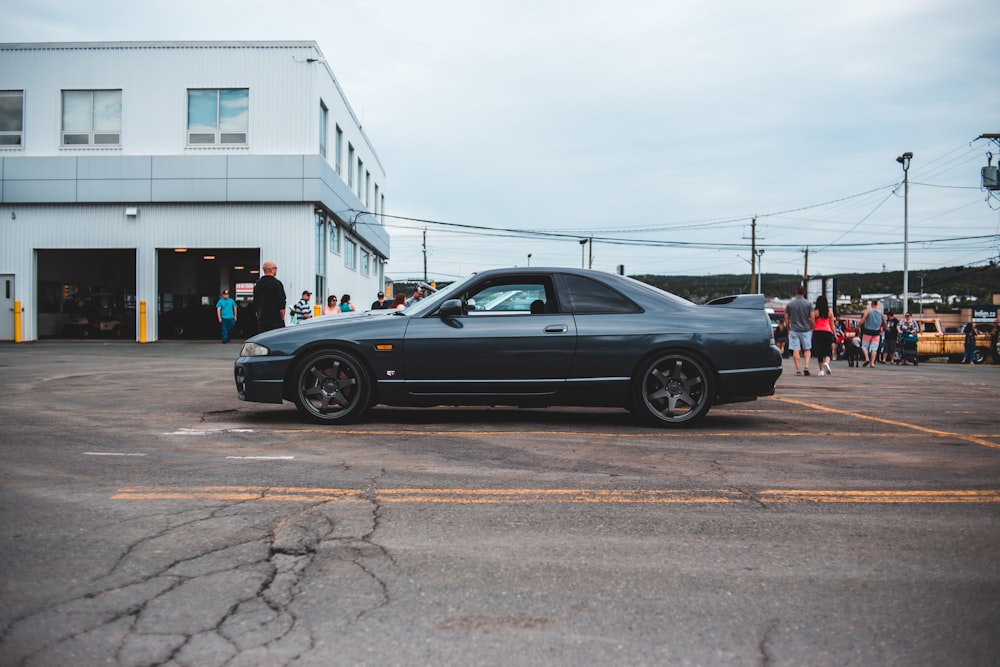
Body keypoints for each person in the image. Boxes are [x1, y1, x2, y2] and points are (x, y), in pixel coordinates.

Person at [784, 284, 814, 376]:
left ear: (796, 292)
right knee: (807, 349)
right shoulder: (809, 304)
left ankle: (798, 369)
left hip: (794, 329)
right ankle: (806, 366)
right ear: (804, 292)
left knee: (795, 349)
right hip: (806, 329)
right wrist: (811, 327)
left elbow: (786, 318)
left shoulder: (790, 304)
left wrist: (788, 327)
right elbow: (812, 318)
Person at [252, 260, 286, 332]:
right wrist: (282, 319)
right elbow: (282, 304)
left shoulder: (257, 285)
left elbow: (255, 304)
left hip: (262, 320)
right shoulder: (277, 284)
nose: (276, 270)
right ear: (271, 269)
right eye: (275, 268)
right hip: (275, 320)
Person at [811, 295, 835, 376]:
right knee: (828, 350)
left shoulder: (815, 312)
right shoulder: (830, 312)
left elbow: (813, 324)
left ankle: (821, 370)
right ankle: (827, 363)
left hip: (817, 332)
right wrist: (835, 334)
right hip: (827, 332)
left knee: (819, 351)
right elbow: (832, 325)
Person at [858, 298, 883, 367]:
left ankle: (867, 358)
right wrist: (883, 328)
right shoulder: (880, 312)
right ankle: (872, 363)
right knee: (874, 348)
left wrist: (859, 325)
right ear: (876, 304)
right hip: (876, 332)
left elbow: (863, 319)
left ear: (871, 304)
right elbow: (884, 321)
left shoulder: (868, 311)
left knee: (864, 346)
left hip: (867, 331)